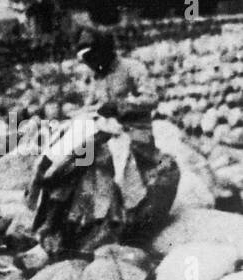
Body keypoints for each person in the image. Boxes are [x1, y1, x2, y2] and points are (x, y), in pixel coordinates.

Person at [30, 28, 180, 257]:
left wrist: (120, 105)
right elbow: (92, 105)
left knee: (101, 159)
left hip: (134, 131)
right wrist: (83, 114)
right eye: (87, 60)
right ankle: (55, 221)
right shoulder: (97, 77)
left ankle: (109, 224)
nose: (91, 63)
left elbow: (151, 99)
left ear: (104, 51)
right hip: (106, 129)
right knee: (69, 158)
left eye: (93, 57)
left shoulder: (132, 68)